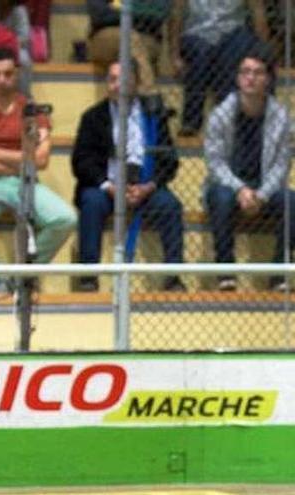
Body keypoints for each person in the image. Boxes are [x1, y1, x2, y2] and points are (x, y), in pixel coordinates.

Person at [0, 48, 76, 293]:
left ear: (18, 74)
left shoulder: (33, 110)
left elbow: (41, 160)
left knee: (65, 218)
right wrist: (23, 157)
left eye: (8, 73)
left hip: (26, 181)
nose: (2, 79)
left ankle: (22, 274)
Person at [71, 61, 185, 293]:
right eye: (111, 79)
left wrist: (149, 186)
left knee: (171, 206)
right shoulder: (93, 117)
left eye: (122, 79)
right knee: (91, 202)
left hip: (145, 186)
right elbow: (81, 161)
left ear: (136, 82)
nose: (116, 85)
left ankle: (172, 277)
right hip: (107, 186)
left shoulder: (153, 115)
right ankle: (88, 276)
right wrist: (109, 186)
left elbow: (169, 160)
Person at [204, 48, 293, 292]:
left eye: (257, 72)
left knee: (291, 201)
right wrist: (240, 189)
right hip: (229, 185)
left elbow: (282, 164)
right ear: (237, 77)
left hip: (265, 186)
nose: (250, 78)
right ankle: (225, 272)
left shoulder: (282, 117)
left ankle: (279, 273)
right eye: (245, 72)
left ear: (268, 79)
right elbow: (215, 162)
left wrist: (262, 195)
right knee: (220, 197)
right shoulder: (220, 115)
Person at [170, 0, 268, 136]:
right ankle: (191, 122)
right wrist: (175, 55)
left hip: (231, 34)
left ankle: (228, 118)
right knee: (200, 54)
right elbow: (177, 15)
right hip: (197, 34)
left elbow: (258, 12)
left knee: (233, 51)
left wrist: (262, 52)